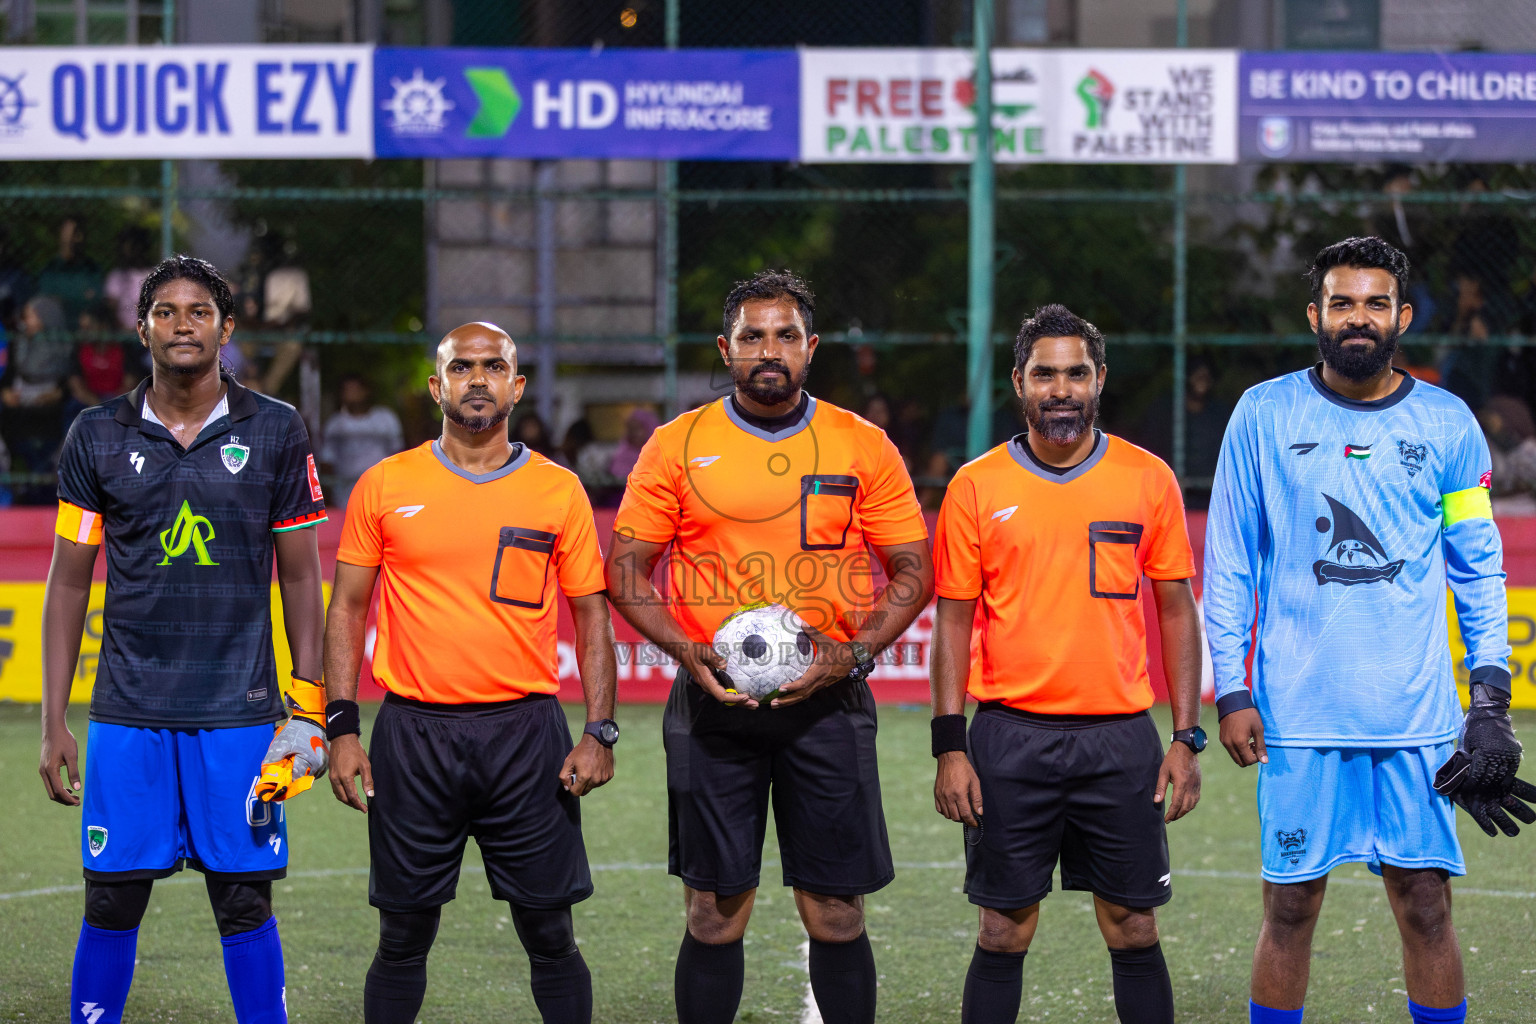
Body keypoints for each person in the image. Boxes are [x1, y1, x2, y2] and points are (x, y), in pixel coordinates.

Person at [1205, 236, 1536, 1024]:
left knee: (1426, 906)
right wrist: (1233, 688)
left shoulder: (1449, 423)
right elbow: (1228, 563)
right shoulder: (1263, 412)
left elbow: (1478, 566)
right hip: (1297, 718)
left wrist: (1490, 701)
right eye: (1343, 303)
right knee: (1289, 909)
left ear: (1403, 316)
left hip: (1414, 721)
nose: (1359, 318)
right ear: (1315, 313)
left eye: (1376, 304)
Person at [604, 270, 934, 1024]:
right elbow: (625, 571)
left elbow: (914, 571)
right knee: (713, 916)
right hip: (713, 704)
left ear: (811, 348)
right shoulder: (676, 445)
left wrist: (852, 655)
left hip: (831, 705)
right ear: (726, 348)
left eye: (786, 334)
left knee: (838, 916)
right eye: (753, 336)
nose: (769, 349)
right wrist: (687, 649)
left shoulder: (862, 444)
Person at [38, 254, 328, 1024]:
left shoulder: (275, 429)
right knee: (112, 898)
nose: (182, 325)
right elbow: (69, 581)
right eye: (165, 312)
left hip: (241, 716)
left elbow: (301, 577)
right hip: (128, 712)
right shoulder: (95, 435)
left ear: (227, 329)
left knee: (242, 901)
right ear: (142, 329)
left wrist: (308, 705)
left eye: (199, 312)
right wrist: (53, 719)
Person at [323, 321, 617, 1024]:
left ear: (516, 387)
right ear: (437, 387)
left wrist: (599, 731)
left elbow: (593, 616)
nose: (477, 379)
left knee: (549, 934)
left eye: (493, 367)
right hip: (413, 735)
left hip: (527, 736)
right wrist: (340, 727)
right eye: (462, 368)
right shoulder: (385, 484)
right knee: (402, 937)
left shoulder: (559, 490)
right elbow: (346, 611)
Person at [929, 303, 1204, 1024]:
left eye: (1076, 373)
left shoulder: (1148, 479)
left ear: (1099, 379)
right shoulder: (976, 486)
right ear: (1019, 383)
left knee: (1134, 927)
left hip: (1119, 740)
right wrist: (949, 746)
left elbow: (1177, 609)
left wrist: (1185, 736)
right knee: (1002, 930)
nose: (1061, 389)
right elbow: (952, 620)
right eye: (1044, 374)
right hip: (1009, 737)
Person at [2, 295, 74, 502]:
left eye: (31, 316)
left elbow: (70, 379)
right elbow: (9, 374)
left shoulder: (63, 344)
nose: (25, 321)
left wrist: (58, 393)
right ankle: (16, 480)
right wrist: (5, 392)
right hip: (21, 393)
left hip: (50, 395)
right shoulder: (19, 341)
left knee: (66, 418)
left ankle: (51, 480)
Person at [319, 374, 403, 507]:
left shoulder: (386, 418)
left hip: (384, 492)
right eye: (347, 390)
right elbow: (327, 460)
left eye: (356, 389)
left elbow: (399, 453)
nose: (352, 394)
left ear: (366, 391)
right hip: (346, 496)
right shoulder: (335, 424)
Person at [37, 216, 103, 326]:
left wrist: (63, 299)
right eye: (69, 233)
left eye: (77, 233)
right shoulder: (50, 269)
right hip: (55, 329)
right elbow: (47, 301)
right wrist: (81, 297)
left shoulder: (92, 269)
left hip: (85, 330)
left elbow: (96, 299)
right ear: (61, 234)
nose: (74, 239)